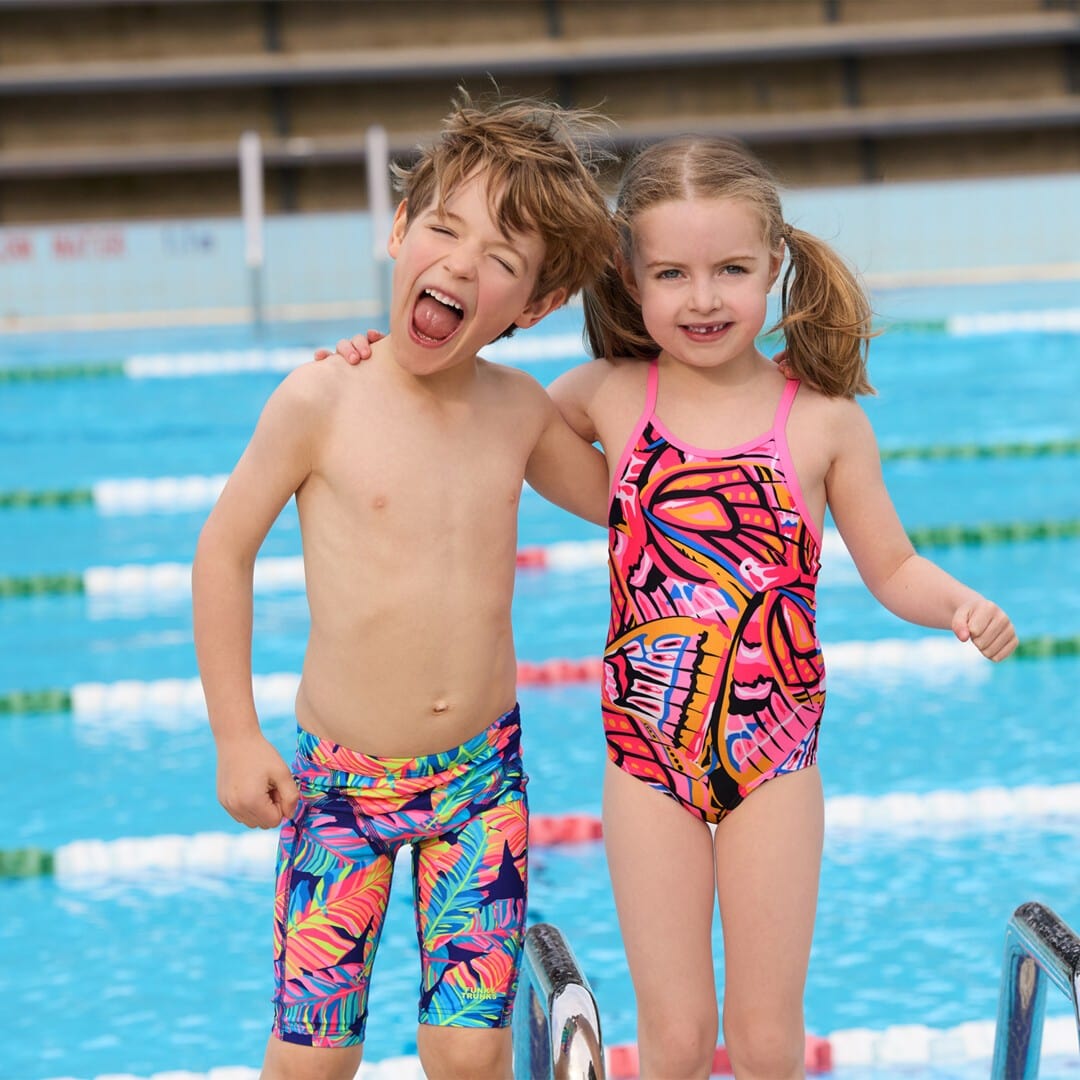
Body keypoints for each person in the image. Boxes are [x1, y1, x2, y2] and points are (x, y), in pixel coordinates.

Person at [328, 133, 1018, 1080]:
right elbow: (470, 408)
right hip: (646, 764)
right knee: (677, 1038)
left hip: (774, 762)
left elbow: (893, 566)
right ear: (630, 276)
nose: (703, 299)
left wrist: (961, 606)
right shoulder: (609, 397)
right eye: (672, 274)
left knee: (768, 1041)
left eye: (731, 270)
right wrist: (378, 363)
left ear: (774, 264)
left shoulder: (822, 422)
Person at [191, 91, 616, 1080]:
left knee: (467, 1056)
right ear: (398, 230)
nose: (461, 264)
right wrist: (235, 734)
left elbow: (620, 501)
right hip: (337, 788)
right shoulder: (320, 398)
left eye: (501, 260)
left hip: (479, 784)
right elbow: (222, 551)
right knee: (313, 1060)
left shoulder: (518, 412)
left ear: (535, 306)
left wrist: (606, 388)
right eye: (445, 228)